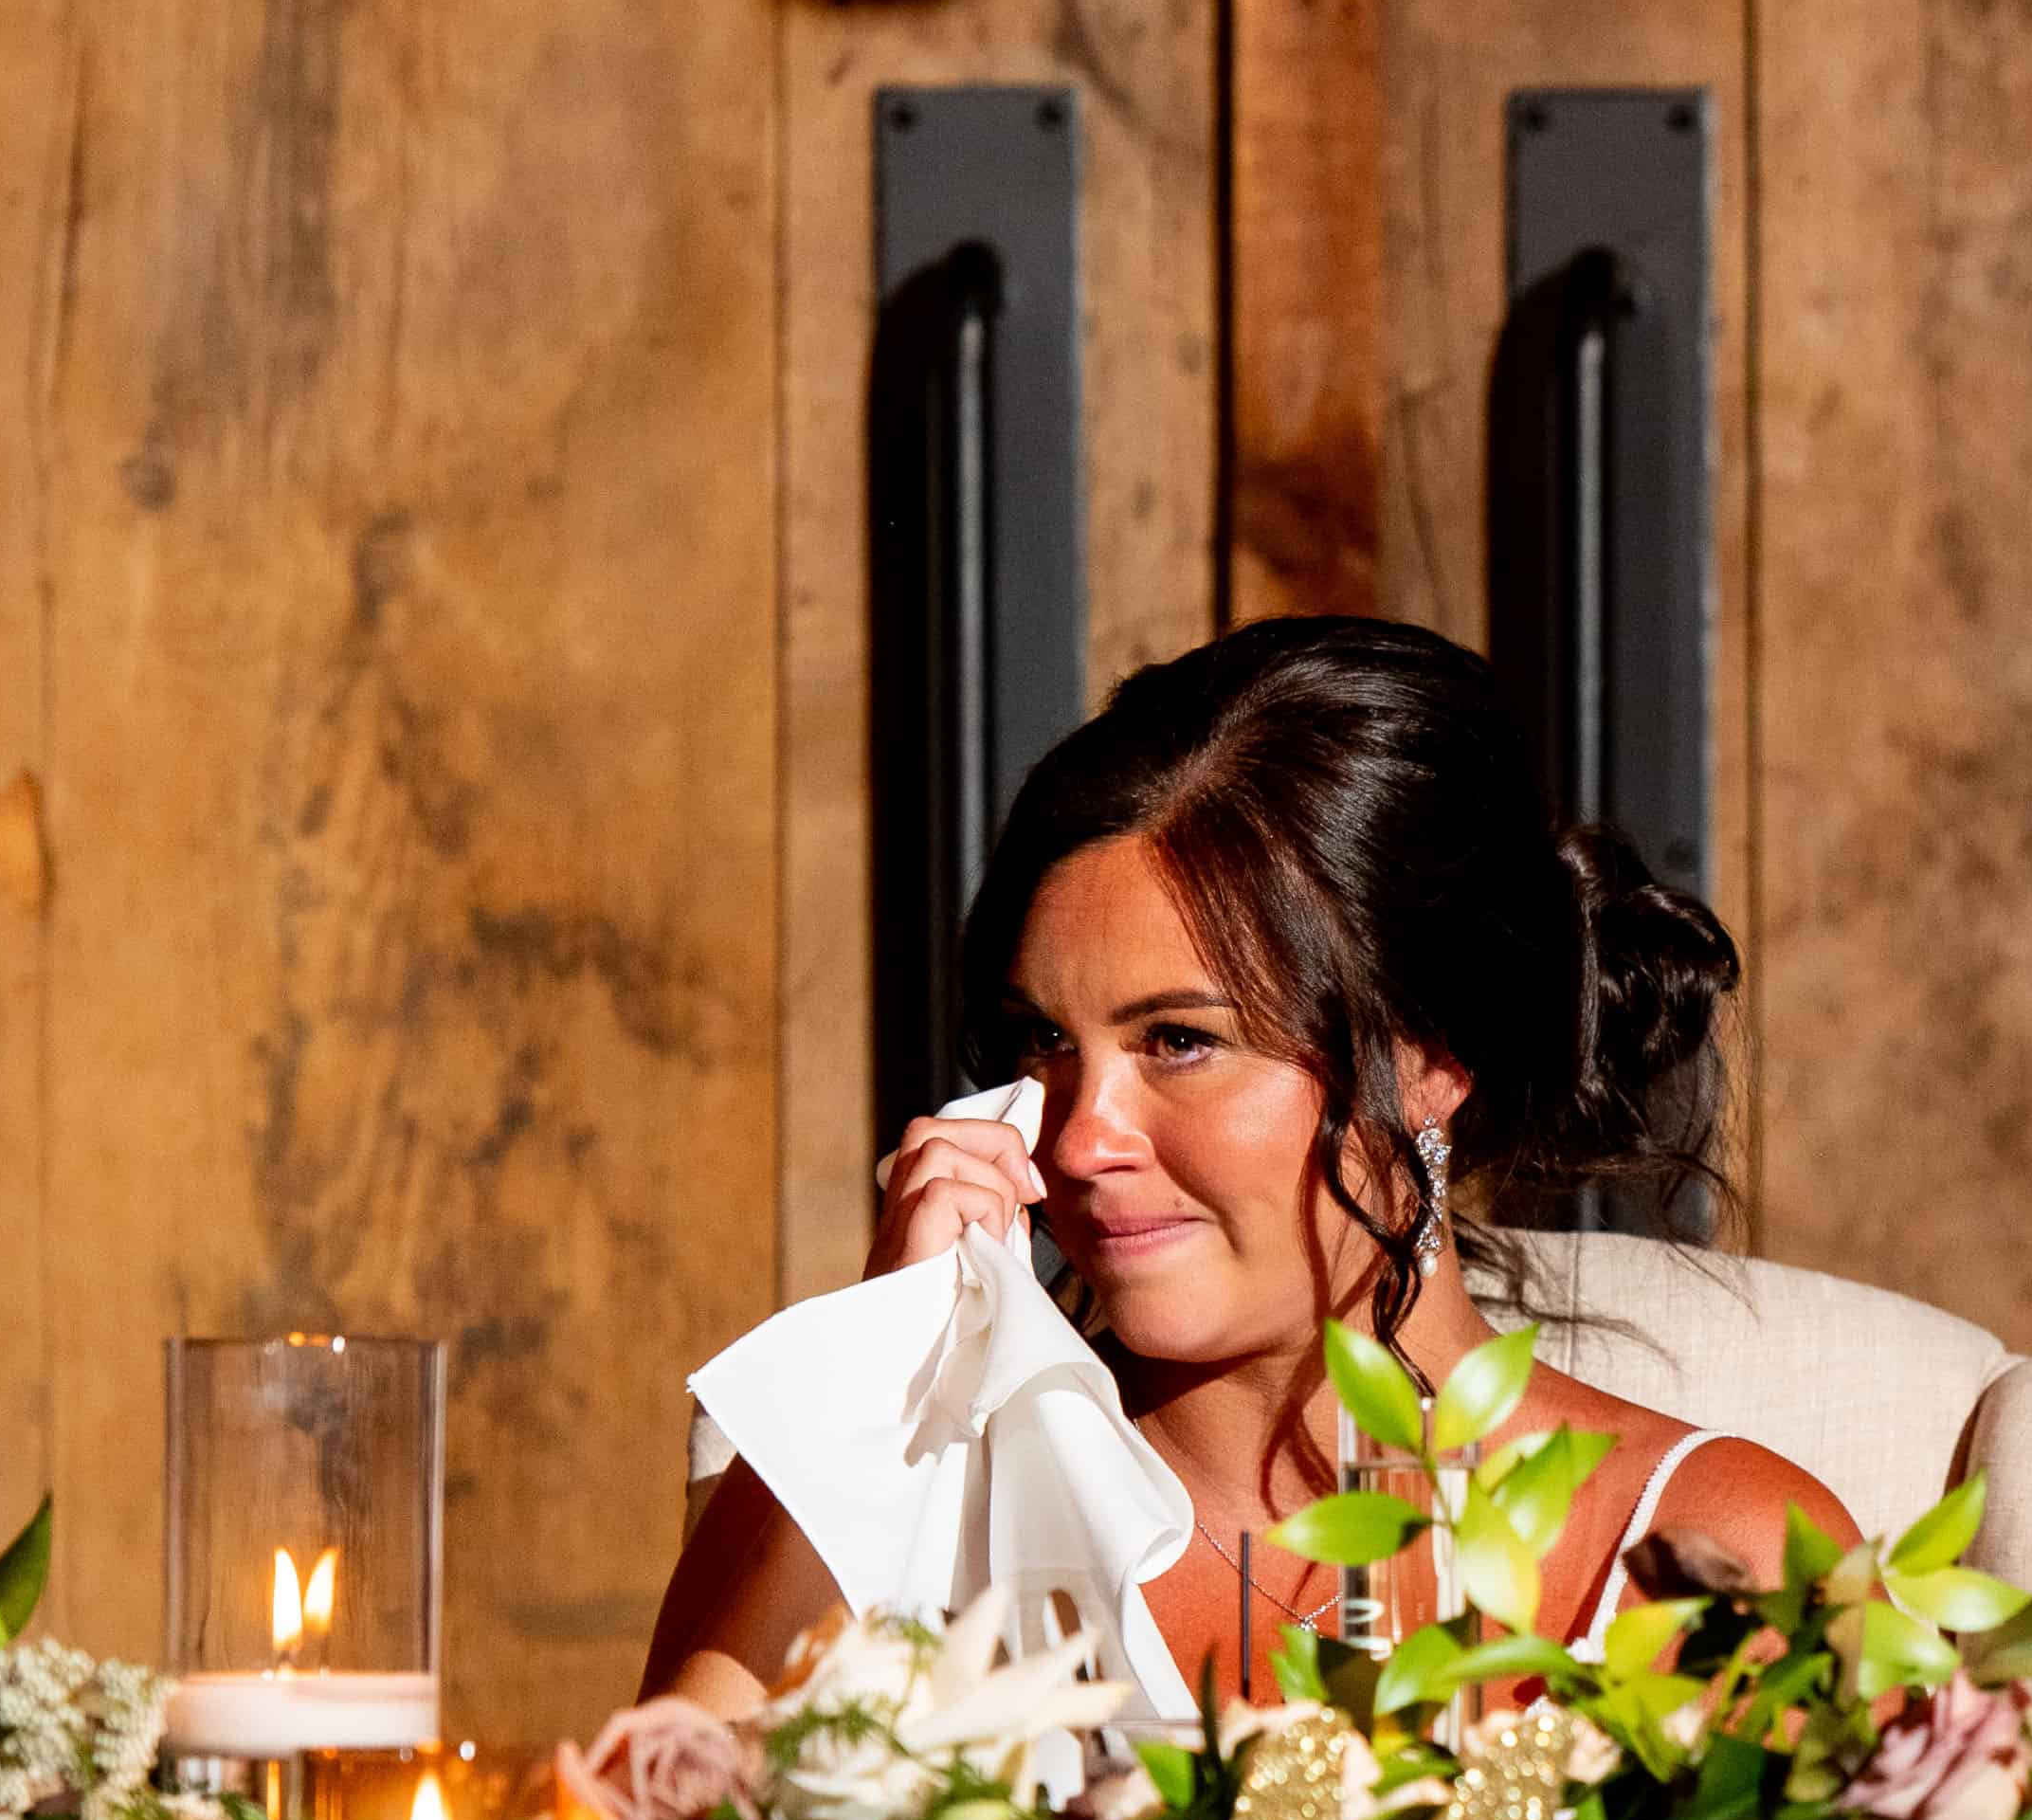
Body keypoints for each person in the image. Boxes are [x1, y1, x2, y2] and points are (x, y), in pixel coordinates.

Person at [644, 618, 1850, 1710]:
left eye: (1181, 1041)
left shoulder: (1716, 1554)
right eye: (1045, 1043)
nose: (1077, 1141)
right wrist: (890, 1388)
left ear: (1436, 1057)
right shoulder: (881, 1480)